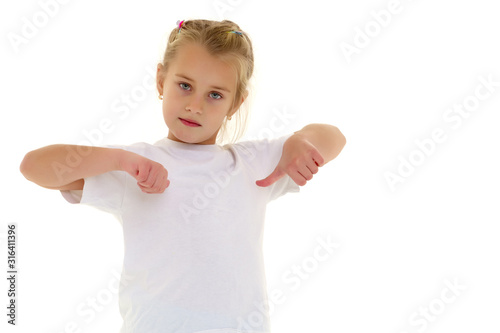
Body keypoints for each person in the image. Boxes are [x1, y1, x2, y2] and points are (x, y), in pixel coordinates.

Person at [20, 19, 346, 333]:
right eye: (185, 86)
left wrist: (302, 142)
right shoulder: (133, 165)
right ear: (161, 80)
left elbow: (333, 137)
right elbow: (33, 167)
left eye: (215, 94)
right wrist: (118, 159)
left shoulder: (251, 162)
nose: (195, 106)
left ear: (235, 103)